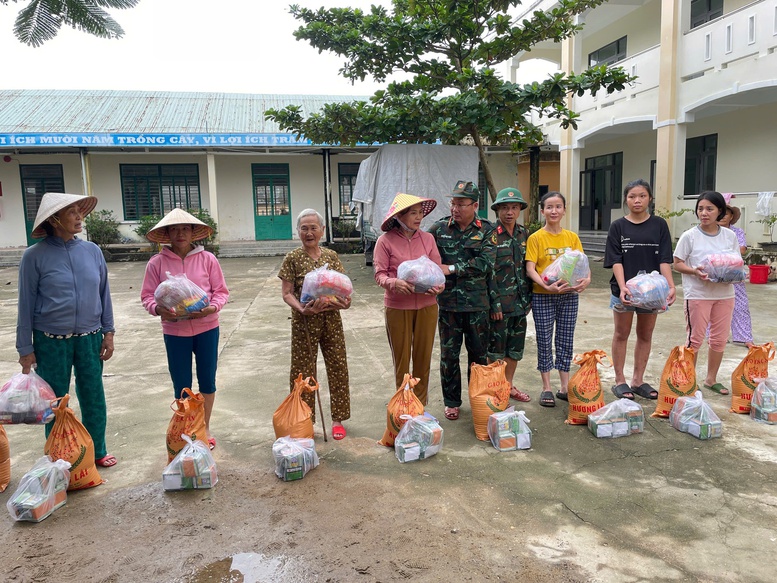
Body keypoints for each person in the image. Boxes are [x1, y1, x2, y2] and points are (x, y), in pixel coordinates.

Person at [16, 192, 117, 467]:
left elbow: (103, 293)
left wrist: (108, 331)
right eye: (71, 212)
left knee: (93, 395)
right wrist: (25, 348)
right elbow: (25, 303)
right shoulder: (34, 256)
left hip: (90, 337)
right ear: (54, 219)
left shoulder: (92, 251)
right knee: (55, 403)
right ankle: (58, 454)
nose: (79, 216)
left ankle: (97, 450)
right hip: (50, 341)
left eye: (79, 211)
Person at [140, 208, 229, 450]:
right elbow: (147, 296)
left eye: (185, 229)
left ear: (193, 233)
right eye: (174, 229)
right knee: (182, 384)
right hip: (174, 331)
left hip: (207, 328)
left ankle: (205, 428)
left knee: (207, 381)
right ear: (167, 233)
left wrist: (212, 307)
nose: (180, 234)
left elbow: (221, 292)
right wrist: (159, 310)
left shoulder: (208, 259)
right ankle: (188, 429)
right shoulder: (156, 263)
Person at [278, 209, 351, 439]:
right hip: (304, 322)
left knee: (338, 366)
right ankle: (304, 419)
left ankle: (338, 419)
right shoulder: (292, 258)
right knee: (303, 372)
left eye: (313, 228)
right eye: (304, 228)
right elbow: (287, 293)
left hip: (331, 320)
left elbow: (343, 289)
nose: (309, 233)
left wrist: (341, 303)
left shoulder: (331, 256)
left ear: (322, 230)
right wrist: (302, 309)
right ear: (298, 231)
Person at [428, 180, 497, 421]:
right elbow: (423, 255)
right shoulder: (438, 229)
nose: (455, 208)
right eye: (453, 203)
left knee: (479, 356)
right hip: (448, 305)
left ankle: (478, 397)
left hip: (477, 305)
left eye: (461, 204)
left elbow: (485, 264)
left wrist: (452, 268)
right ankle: (452, 401)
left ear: (475, 205)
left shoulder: (487, 230)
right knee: (449, 355)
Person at [604, 179, 676, 400]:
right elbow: (616, 260)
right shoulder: (618, 226)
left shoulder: (659, 225)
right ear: (626, 200)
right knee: (621, 333)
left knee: (645, 334)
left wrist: (671, 286)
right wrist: (624, 287)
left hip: (651, 293)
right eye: (632, 196)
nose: (637, 200)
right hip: (624, 291)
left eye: (642, 196)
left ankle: (637, 380)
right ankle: (620, 380)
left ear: (650, 199)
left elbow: (664, 259)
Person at [373, 193, 443, 406]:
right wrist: (394, 283)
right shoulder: (384, 241)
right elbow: (380, 274)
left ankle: (419, 406)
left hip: (427, 306)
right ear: (399, 216)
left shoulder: (428, 239)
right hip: (397, 307)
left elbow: (437, 270)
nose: (419, 217)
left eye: (421, 213)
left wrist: (439, 287)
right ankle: (403, 405)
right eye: (413, 213)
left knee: (423, 359)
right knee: (402, 361)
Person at [525, 191, 591, 408]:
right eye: (549, 207)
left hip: (569, 296)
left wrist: (586, 281)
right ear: (542, 211)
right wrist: (545, 285)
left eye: (558, 206)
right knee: (544, 340)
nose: (554, 211)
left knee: (565, 339)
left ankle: (564, 386)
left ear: (564, 210)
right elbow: (530, 268)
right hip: (543, 296)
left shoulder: (572, 237)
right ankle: (546, 387)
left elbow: (582, 264)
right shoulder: (535, 237)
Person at [673, 191, 739, 395]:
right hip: (698, 294)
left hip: (725, 294)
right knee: (695, 339)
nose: (704, 213)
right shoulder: (689, 236)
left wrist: (732, 272)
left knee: (719, 339)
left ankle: (711, 379)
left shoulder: (730, 236)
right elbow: (677, 264)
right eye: (700, 208)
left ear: (720, 211)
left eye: (709, 209)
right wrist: (694, 271)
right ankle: (688, 380)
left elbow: (735, 262)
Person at [487, 188, 532, 403]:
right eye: (504, 208)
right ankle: (495, 390)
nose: (509, 212)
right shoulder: (490, 234)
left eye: (514, 207)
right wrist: (493, 304)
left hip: (520, 304)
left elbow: (530, 267)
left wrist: (529, 299)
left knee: (515, 350)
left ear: (520, 210)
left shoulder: (524, 234)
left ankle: (509, 385)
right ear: (497, 210)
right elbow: (487, 272)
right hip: (499, 306)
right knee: (495, 351)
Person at [718, 204, 754, 347]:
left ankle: (745, 337)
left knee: (740, 304)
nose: (723, 216)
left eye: (726, 214)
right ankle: (718, 336)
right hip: (715, 272)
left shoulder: (737, 232)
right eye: (720, 213)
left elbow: (742, 249)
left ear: (731, 217)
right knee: (714, 304)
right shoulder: (711, 231)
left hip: (734, 272)